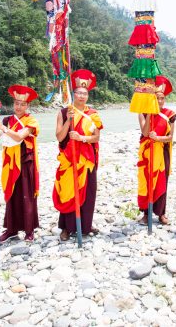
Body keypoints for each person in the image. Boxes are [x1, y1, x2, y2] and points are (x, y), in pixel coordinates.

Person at [53, 69, 104, 241]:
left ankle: (86, 225)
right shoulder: (63, 112)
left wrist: (82, 138)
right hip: (68, 159)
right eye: (78, 93)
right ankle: (67, 228)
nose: (82, 96)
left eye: (85, 93)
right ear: (73, 94)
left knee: (88, 193)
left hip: (87, 159)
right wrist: (69, 120)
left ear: (88, 95)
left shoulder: (93, 114)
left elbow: (96, 137)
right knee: (68, 192)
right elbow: (59, 136)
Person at [0, 85, 40, 242]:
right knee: (11, 195)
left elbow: (19, 137)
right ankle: (11, 229)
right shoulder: (7, 120)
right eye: (16, 103)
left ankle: (29, 230)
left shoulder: (31, 121)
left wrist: (2, 127)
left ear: (27, 106)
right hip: (10, 163)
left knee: (27, 195)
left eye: (22, 104)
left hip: (26, 162)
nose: (19, 107)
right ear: (13, 104)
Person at [137, 76, 176, 226]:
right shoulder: (143, 112)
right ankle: (146, 214)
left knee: (161, 181)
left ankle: (161, 213)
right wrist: (149, 113)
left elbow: (170, 137)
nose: (159, 101)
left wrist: (159, 138)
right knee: (147, 181)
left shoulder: (170, 115)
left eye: (162, 98)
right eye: (156, 98)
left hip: (162, 152)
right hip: (147, 153)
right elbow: (145, 132)